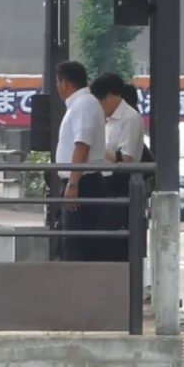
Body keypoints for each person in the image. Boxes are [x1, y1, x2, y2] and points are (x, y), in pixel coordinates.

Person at [55, 60, 107, 261]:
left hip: (84, 182)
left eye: (58, 83)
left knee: (78, 245)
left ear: (64, 83)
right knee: (75, 241)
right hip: (82, 181)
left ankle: (79, 289)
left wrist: (73, 183)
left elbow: (82, 145)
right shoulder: (84, 104)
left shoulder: (83, 105)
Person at [90, 72, 145, 261]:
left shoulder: (129, 118)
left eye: (101, 101)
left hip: (120, 182)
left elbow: (126, 157)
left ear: (113, 96)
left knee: (116, 236)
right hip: (106, 180)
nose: (99, 107)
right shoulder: (109, 119)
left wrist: (97, 148)